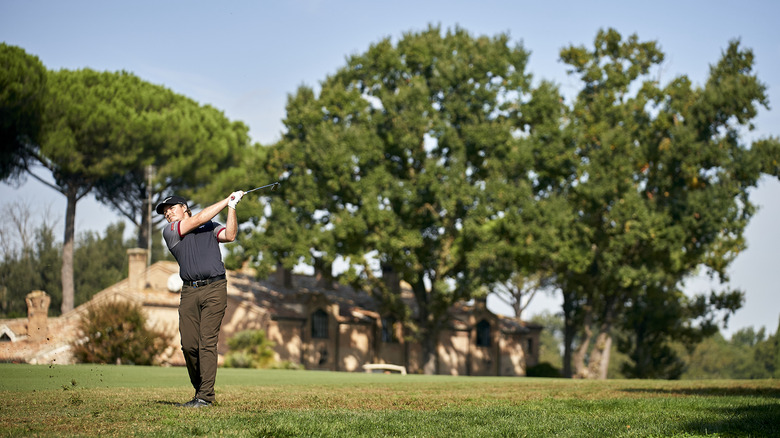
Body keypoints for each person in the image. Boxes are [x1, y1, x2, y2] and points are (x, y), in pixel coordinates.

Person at [155, 190, 244, 408]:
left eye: (171, 209)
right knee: (189, 345)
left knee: (207, 343)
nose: (167, 214)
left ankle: (205, 397)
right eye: (165, 212)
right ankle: (200, 392)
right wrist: (226, 199)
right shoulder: (172, 231)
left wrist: (232, 207)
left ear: (184, 207)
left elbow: (230, 235)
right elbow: (199, 218)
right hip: (189, 292)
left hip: (215, 288)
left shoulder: (210, 227)